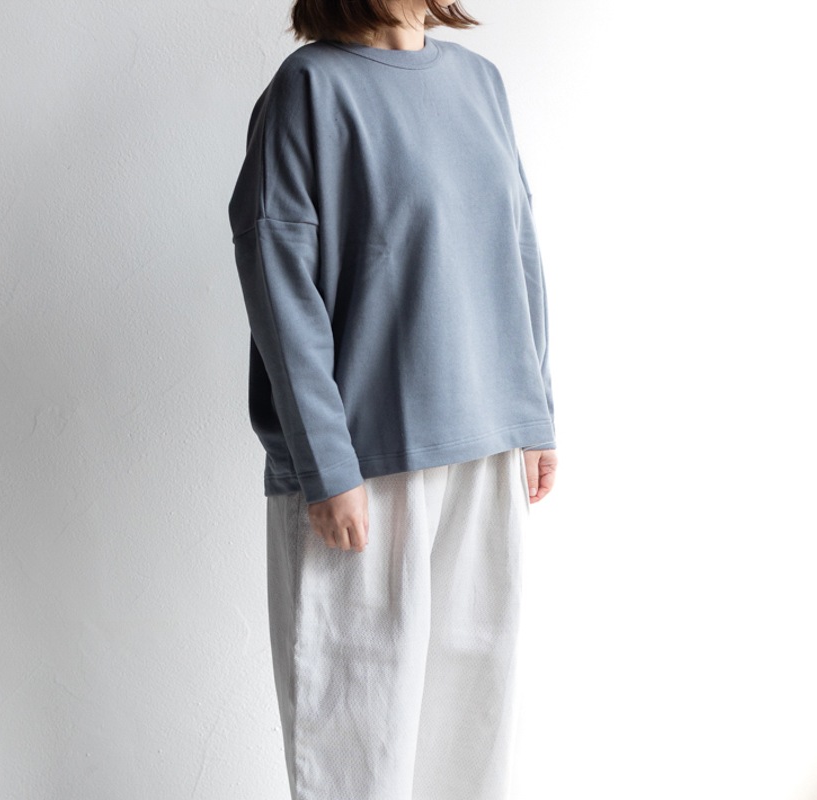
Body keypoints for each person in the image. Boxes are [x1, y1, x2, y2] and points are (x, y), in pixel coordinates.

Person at [227, 1, 557, 797]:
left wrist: (535, 410)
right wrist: (325, 464)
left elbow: (517, 247)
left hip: (487, 444)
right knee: (354, 734)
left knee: (470, 719)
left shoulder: (480, 83)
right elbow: (279, 281)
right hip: (364, 464)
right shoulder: (309, 89)